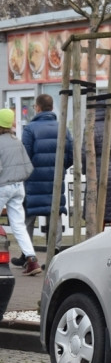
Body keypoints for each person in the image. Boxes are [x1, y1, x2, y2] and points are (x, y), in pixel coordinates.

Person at [16, 93, 73, 268]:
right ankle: (54, 254)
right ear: (52, 108)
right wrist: (60, 169)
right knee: (54, 215)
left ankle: (27, 255)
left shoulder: (30, 129)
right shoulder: (63, 128)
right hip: (55, 179)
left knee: (28, 217)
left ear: (38, 107)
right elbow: (70, 155)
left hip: (33, 181)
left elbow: (24, 156)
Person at [0, 109, 42, 275]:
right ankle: (32, 260)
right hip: (18, 187)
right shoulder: (16, 140)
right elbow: (27, 165)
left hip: (3, 186)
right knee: (18, 225)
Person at [83, 104, 111, 228]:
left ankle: (97, 242)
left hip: (96, 174)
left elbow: (84, 154)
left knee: (96, 214)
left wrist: (84, 171)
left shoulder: (90, 128)